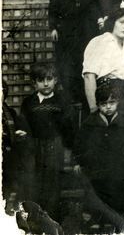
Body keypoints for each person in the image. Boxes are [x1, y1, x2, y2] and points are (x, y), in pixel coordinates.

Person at [74, 81, 124, 229]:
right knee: (98, 194)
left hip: (119, 168)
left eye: (112, 103)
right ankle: (99, 221)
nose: (108, 107)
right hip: (97, 169)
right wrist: (79, 161)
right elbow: (80, 144)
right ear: (98, 105)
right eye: (104, 104)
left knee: (118, 194)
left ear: (117, 102)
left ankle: (117, 223)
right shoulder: (89, 123)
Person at [17, 63, 75, 219]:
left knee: (53, 182)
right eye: (41, 80)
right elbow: (23, 123)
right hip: (34, 146)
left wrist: (68, 149)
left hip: (55, 146)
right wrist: (24, 136)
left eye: (49, 79)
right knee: (35, 182)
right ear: (34, 83)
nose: (46, 83)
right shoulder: (29, 103)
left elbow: (69, 127)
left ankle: (51, 219)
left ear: (55, 80)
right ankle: (35, 218)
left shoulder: (61, 102)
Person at [49, 0, 96, 103]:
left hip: (87, 25)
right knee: (69, 62)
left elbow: (96, 0)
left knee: (87, 58)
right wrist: (54, 27)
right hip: (67, 27)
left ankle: (87, 98)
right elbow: (53, 7)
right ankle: (73, 99)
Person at [82, 8, 124, 112]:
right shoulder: (99, 42)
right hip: (105, 100)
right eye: (122, 22)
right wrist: (94, 109)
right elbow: (89, 76)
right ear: (113, 22)